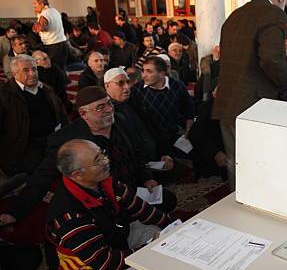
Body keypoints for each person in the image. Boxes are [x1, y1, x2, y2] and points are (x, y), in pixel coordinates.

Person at [2, 86, 176, 225]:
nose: (109, 110)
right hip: (102, 199)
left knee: (168, 200)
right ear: (83, 113)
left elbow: (137, 153)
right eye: (101, 107)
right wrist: (15, 211)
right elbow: (42, 177)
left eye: (109, 103)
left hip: (132, 188)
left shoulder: (121, 121)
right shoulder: (67, 139)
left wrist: (146, 178)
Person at [45, 139, 168, 270]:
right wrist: (148, 248)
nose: (106, 160)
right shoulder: (69, 217)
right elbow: (106, 262)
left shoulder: (103, 180)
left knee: (158, 232)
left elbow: (140, 208)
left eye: (102, 154)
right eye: (98, 161)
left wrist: (176, 229)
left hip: (112, 239)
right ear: (78, 174)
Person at [212, 0, 287, 190]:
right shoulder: (273, 15)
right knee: (258, 164)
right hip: (254, 104)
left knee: (236, 162)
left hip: (228, 102)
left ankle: (237, 203)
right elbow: (271, 60)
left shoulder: (234, 15)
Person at [104, 68, 185, 183]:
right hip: (137, 166)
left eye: (127, 82)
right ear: (107, 86)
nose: (127, 87)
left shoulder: (135, 101)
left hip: (155, 158)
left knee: (179, 167)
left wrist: (165, 153)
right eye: (120, 83)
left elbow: (155, 129)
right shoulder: (107, 114)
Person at [0, 54, 67, 177]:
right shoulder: (5, 95)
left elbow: (62, 114)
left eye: (34, 69)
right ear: (15, 74)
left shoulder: (47, 89)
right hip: (25, 144)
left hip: (53, 138)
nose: (32, 73)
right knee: (43, 170)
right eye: (26, 70)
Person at [132, 56, 195, 147]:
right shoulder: (137, 90)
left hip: (177, 136)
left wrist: (188, 129)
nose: (143, 75)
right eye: (143, 70)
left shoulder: (177, 86)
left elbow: (189, 109)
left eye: (149, 71)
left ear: (161, 74)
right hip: (152, 141)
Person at [31, 0, 69, 69]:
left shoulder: (44, 15)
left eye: (35, 4)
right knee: (62, 67)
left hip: (53, 46)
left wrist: (35, 26)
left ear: (42, 4)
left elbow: (38, 29)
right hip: (62, 43)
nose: (34, 6)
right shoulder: (54, 10)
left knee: (53, 68)